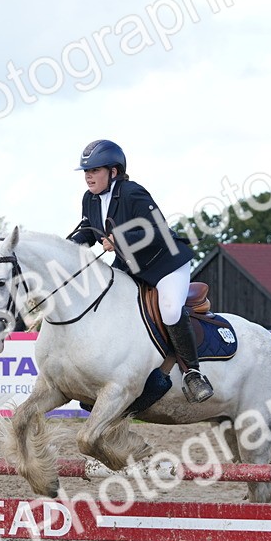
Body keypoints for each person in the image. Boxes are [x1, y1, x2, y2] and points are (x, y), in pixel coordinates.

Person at [66, 139, 212, 403]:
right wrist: (66, 249)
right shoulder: (90, 198)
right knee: (105, 303)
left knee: (169, 309)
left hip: (165, 263)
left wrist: (118, 239)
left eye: (95, 170)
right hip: (131, 265)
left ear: (113, 171)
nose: (88, 176)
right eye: (86, 171)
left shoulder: (132, 192)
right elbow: (88, 230)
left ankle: (193, 372)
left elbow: (157, 230)